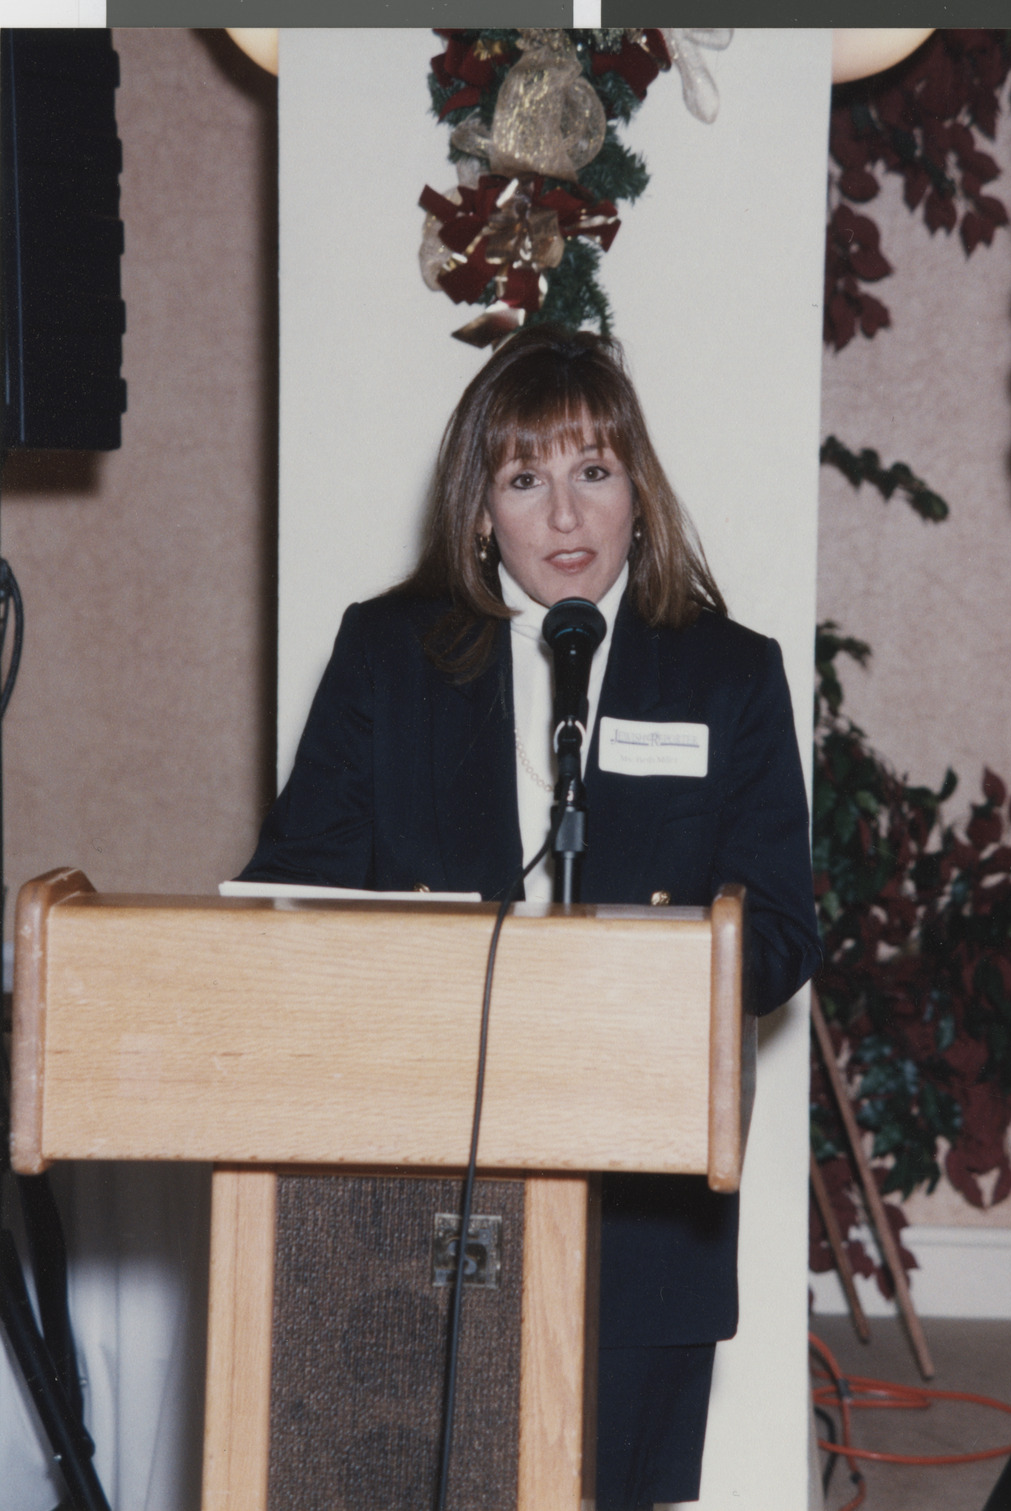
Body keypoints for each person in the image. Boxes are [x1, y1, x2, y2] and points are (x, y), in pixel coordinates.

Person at [241, 323, 821, 1510]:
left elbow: (778, 933)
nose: (564, 517)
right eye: (525, 479)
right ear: (479, 511)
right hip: (414, 1176)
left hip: (641, 1190)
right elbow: (293, 889)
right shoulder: (389, 655)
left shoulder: (727, 675)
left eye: (593, 472)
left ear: (637, 492)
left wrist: (627, 980)